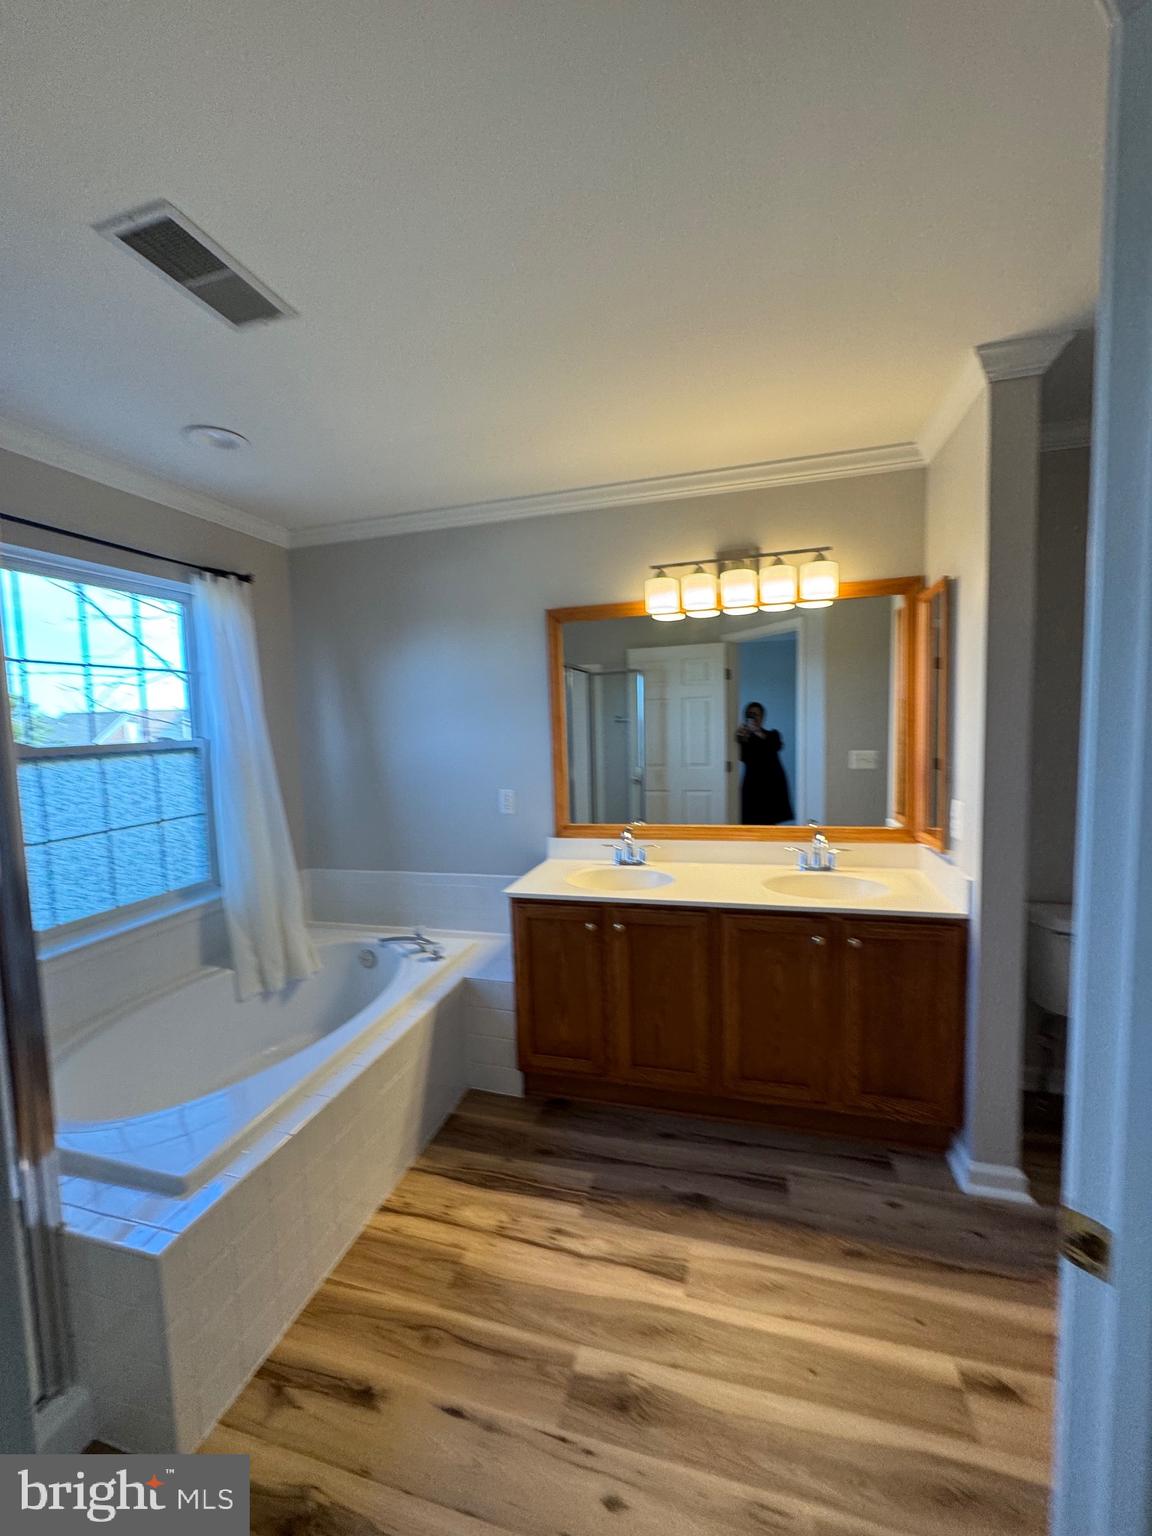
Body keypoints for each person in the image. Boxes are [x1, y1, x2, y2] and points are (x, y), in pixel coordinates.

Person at [736, 702, 794, 825]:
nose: (753, 717)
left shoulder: (772, 735)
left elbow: (776, 746)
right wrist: (741, 740)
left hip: (772, 783)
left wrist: (757, 732)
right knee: (748, 819)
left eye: (756, 714)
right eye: (750, 714)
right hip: (752, 783)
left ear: (762, 717)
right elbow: (741, 758)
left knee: (770, 821)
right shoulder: (744, 737)